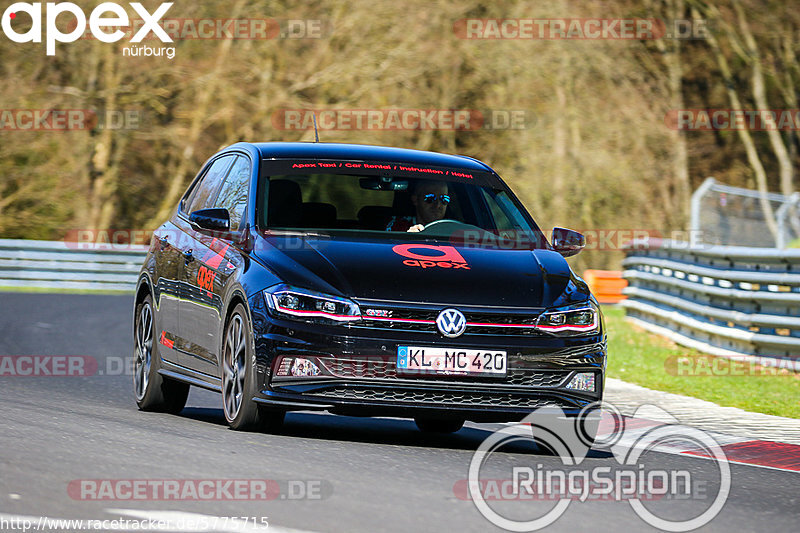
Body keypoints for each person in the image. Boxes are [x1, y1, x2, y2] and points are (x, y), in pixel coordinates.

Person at [386, 180, 451, 232]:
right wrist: (407, 239)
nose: (438, 205)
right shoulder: (399, 226)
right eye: (430, 198)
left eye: (444, 199)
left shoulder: (453, 231)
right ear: (415, 200)